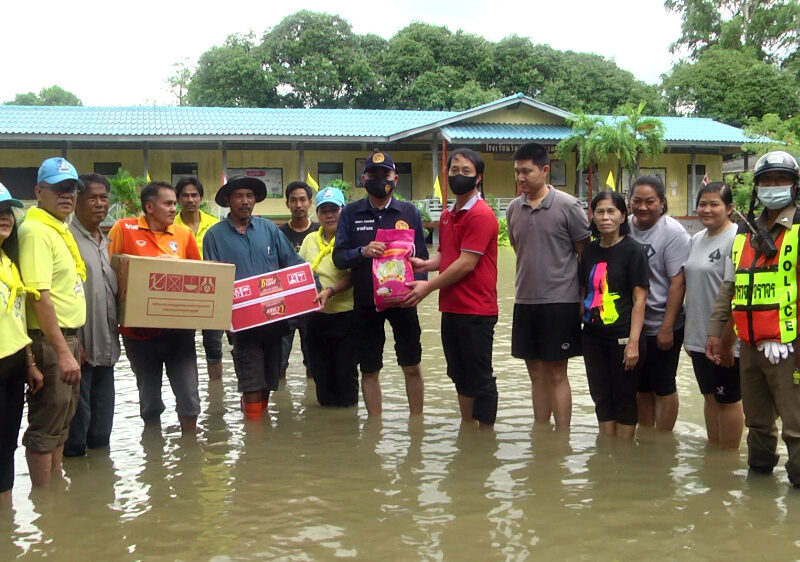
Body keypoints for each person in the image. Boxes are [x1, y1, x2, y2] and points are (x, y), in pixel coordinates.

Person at [707, 151, 800, 485]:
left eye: (781, 181)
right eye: (766, 181)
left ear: (794, 186)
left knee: (796, 426)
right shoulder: (744, 235)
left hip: (791, 348)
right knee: (757, 422)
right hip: (749, 345)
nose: (773, 187)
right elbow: (729, 289)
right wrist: (718, 333)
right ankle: (758, 493)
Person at [403, 149, 499, 427]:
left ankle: (485, 435)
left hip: (477, 310)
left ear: (478, 177)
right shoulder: (448, 215)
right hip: (452, 307)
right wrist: (423, 264)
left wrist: (428, 286)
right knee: (458, 373)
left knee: (480, 375)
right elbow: (448, 257)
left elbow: (466, 263)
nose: (459, 175)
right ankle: (468, 427)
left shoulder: (481, 214)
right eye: (454, 170)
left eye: (466, 171)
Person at [332, 151, 429, 416]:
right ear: (363, 178)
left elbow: (422, 257)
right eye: (373, 175)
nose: (379, 179)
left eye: (384, 174)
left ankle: (416, 423)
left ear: (395, 178)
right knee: (370, 369)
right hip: (365, 303)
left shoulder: (409, 212)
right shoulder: (350, 213)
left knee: (411, 365)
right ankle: (375, 427)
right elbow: (339, 257)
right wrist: (361, 251)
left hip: (404, 302)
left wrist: (420, 288)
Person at [203, 176, 305, 419]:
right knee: (250, 381)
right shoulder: (214, 236)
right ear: (228, 200)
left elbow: (292, 262)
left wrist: (313, 285)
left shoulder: (269, 229)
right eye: (239, 196)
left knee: (269, 380)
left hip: (275, 318)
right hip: (242, 324)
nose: (245, 201)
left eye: (249, 196)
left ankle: (261, 432)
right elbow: (214, 280)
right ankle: (254, 440)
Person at [506, 142, 590, 429]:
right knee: (535, 373)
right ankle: (541, 432)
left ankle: (563, 435)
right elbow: (520, 250)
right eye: (517, 172)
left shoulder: (568, 206)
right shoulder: (513, 209)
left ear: (544, 170)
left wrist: (581, 298)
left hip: (560, 303)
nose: (520, 178)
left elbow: (584, 253)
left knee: (556, 373)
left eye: (526, 171)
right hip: (525, 301)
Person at [107, 181, 202, 434]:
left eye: (174, 203)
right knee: (148, 400)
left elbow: (200, 277)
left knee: (189, 397)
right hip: (138, 334)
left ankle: (190, 449)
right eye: (168, 203)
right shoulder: (123, 229)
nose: (175, 208)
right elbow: (110, 274)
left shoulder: (183, 235)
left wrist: (176, 268)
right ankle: (153, 449)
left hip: (179, 332)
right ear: (149, 206)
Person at [18, 157, 86, 487]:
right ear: (38, 192)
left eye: (71, 189)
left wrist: (74, 345)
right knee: (46, 426)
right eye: (58, 189)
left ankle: (56, 495)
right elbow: (39, 297)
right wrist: (62, 352)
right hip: (49, 344)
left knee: (63, 421)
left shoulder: (56, 228)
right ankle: (44, 501)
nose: (67, 195)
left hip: (66, 339)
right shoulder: (35, 231)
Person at [579, 191, 649, 439]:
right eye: (599, 211)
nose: (605, 217)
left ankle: (624, 458)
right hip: (593, 337)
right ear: (592, 216)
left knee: (625, 398)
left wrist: (633, 343)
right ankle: (606, 455)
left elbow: (640, 299)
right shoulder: (589, 252)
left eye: (611, 211)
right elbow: (584, 292)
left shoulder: (634, 251)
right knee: (601, 397)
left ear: (622, 216)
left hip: (623, 336)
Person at [627, 175, 691, 432]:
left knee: (664, 384)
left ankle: (664, 438)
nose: (643, 207)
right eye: (637, 201)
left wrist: (667, 326)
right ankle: (646, 434)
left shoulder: (674, 233)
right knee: (641, 385)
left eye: (650, 201)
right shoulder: (624, 226)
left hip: (664, 321)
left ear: (662, 203)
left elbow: (678, 283)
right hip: (634, 324)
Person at [64, 173, 120, 457]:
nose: (100, 204)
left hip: (108, 350)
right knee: (75, 436)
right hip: (78, 352)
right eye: (92, 198)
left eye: (104, 198)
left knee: (101, 435)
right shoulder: (66, 239)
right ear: (76, 202)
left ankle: (98, 492)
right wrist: (71, 342)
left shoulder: (107, 242)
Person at [684, 182, 743, 450]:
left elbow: (737, 292)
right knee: (709, 396)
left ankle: (727, 460)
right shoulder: (696, 239)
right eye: (702, 204)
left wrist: (726, 338)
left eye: (714, 204)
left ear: (729, 208)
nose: (707, 210)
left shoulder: (737, 239)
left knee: (727, 399)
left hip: (725, 337)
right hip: (697, 337)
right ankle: (713, 451)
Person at [0, 183, 43, 502]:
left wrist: (30, 362)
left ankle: (7, 519)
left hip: (14, 365)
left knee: (7, 443)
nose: (5, 217)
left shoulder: (8, 261)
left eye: (7, 211)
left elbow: (18, 317)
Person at [299, 187, 357, 407]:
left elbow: (356, 276)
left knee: (346, 373)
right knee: (321, 375)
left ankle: (348, 426)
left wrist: (331, 291)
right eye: (324, 211)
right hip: (316, 318)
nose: (330, 215)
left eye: (335, 209)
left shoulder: (351, 239)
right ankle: (326, 429)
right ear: (318, 214)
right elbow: (299, 272)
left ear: (343, 211)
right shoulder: (309, 241)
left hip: (347, 317)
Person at [173, 176, 223, 383]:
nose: (190, 199)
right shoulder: (169, 226)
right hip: (182, 297)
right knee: (183, 345)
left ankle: (216, 390)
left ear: (201, 198)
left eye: (194, 195)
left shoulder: (215, 226)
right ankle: (188, 387)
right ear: (177, 199)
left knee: (214, 345)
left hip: (212, 294)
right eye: (185, 195)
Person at [278, 181, 319, 380]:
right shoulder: (278, 234)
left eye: (302, 199)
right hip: (285, 306)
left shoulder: (320, 232)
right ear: (287, 204)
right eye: (293, 200)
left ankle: (312, 400)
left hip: (313, 304)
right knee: (279, 362)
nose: (298, 205)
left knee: (313, 360)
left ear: (310, 202)